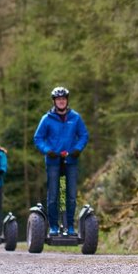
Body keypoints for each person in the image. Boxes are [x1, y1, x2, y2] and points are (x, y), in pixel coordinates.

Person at [33, 87, 89, 236]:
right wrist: (47, 150)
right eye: (58, 99)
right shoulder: (47, 119)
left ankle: (70, 226)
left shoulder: (75, 117)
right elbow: (38, 138)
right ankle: (54, 227)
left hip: (71, 160)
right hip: (53, 161)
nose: (61, 101)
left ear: (67, 100)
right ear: (54, 101)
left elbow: (84, 135)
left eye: (63, 99)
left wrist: (77, 149)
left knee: (70, 195)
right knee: (53, 195)